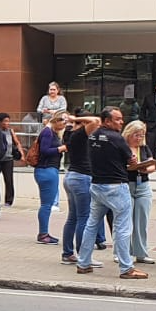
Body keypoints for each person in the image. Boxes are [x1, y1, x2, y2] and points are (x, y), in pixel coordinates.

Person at [75, 107, 140, 279]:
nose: (121, 122)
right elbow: (131, 160)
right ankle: (126, 268)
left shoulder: (93, 135)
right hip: (116, 185)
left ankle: (83, 262)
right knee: (122, 227)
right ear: (107, 121)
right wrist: (133, 160)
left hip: (97, 185)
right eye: (117, 119)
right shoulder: (116, 138)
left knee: (92, 223)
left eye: (121, 118)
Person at [60, 109, 102, 265]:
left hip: (72, 176)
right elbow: (96, 120)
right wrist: (76, 118)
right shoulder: (79, 134)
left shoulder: (71, 134)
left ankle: (68, 253)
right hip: (81, 177)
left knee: (73, 217)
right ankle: (84, 256)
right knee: (84, 217)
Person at [123, 119, 156, 267]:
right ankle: (123, 252)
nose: (139, 138)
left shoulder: (144, 148)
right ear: (129, 134)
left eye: (141, 135)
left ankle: (141, 253)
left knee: (141, 220)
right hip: (127, 184)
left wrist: (145, 168)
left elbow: (152, 165)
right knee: (125, 221)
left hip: (143, 184)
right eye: (136, 135)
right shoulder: (123, 147)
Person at [34, 112, 65, 244]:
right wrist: (61, 148)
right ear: (56, 120)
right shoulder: (48, 132)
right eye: (63, 121)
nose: (64, 125)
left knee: (46, 204)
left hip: (45, 170)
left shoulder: (49, 131)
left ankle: (43, 233)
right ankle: (43, 234)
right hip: (47, 169)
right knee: (46, 204)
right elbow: (44, 150)